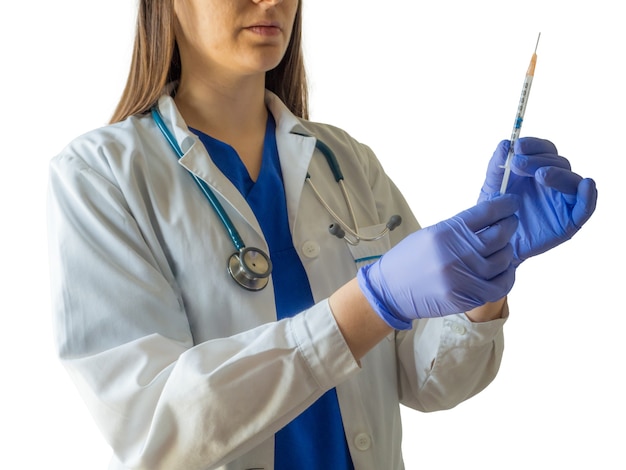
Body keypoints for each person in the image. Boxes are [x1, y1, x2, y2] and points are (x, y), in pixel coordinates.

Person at [46, 1, 597, 469]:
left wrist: (487, 280)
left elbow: (428, 381)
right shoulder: (102, 175)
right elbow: (156, 429)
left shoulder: (346, 161)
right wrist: (370, 304)